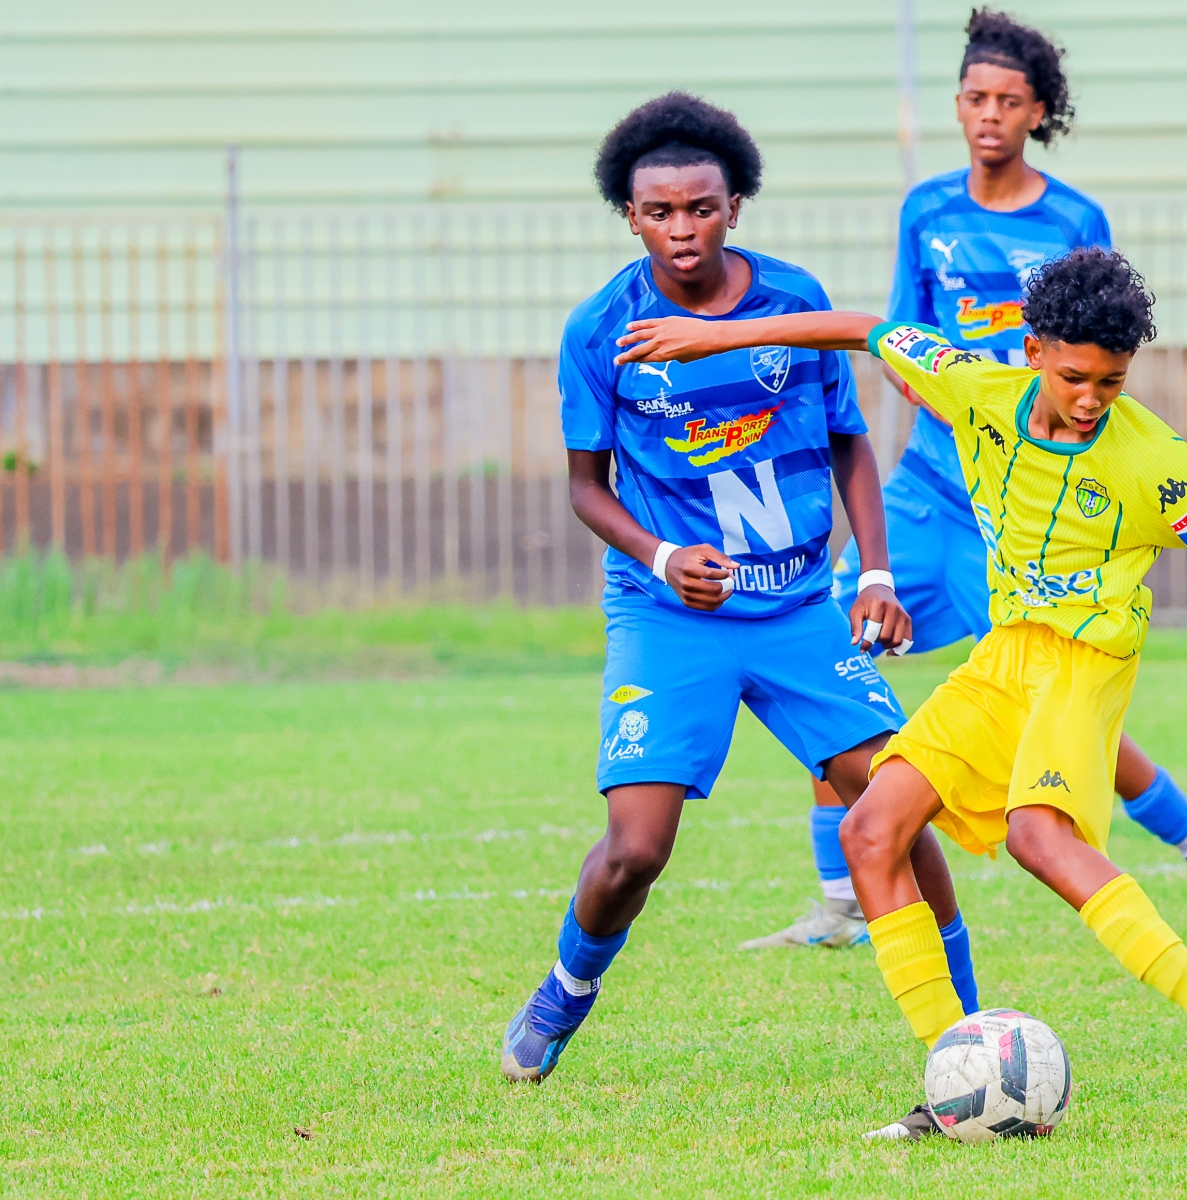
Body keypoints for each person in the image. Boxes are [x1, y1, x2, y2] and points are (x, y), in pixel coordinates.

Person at [612, 247, 1187, 1135]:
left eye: (1113, 380)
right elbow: (866, 330)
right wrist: (715, 337)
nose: (1093, 398)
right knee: (870, 831)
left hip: (1085, 662)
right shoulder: (974, 389)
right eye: (1075, 377)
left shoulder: (1158, 463)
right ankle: (956, 1084)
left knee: (1037, 835)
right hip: (1005, 657)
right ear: (1032, 352)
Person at [745, 8, 1187, 957]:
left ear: (1038, 114)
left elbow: (1090, 346)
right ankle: (841, 896)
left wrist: (1024, 420)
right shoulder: (926, 209)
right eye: (976, 97)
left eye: (1009, 101)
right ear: (957, 105)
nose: (990, 114)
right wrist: (945, 392)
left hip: (1024, 516)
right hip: (928, 487)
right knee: (832, 653)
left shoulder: (1074, 221)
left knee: (1052, 713)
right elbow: (895, 332)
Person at [501, 92, 980, 1082]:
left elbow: (850, 441)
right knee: (636, 849)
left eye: (701, 208)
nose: (682, 229)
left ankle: (970, 1030)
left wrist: (875, 570)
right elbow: (586, 489)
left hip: (799, 609)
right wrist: (661, 557)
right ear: (630, 218)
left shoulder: (793, 301)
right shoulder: (600, 328)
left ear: (734, 207)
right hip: (671, 614)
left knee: (895, 804)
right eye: (659, 213)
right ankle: (566, 988)